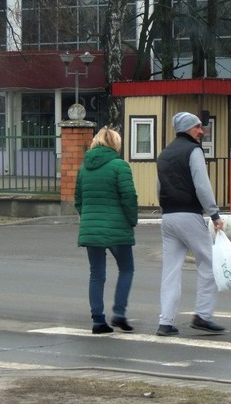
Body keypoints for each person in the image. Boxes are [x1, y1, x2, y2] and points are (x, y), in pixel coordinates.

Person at [155, 111, 225, 337]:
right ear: (188, 129)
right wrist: (214, 214)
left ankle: (165, 322)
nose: (201, 131)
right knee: (209, 263)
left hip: (168, 217)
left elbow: (159, 188)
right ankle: (203, 316)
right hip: (189, 215)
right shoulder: (193, 151)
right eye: (198, 127)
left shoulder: (164, 154)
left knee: (170, 271)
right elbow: (202, 185)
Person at [75, 127, 138, 335]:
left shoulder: (84, 168)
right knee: (126, 269)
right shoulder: (120, 166)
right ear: (115, 144)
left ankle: (98, 321)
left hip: (91, 228)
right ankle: (119, 313)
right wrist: (131, 220)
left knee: (97, 274)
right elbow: (128, 197)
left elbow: (79, 200)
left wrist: (88, 220)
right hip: (117, 228)